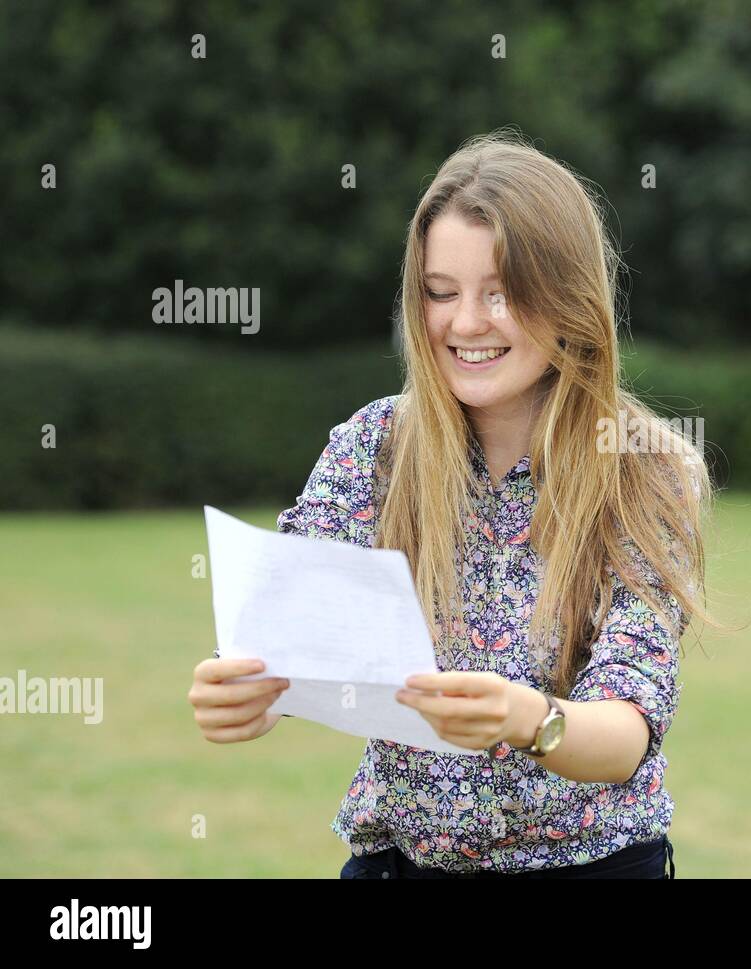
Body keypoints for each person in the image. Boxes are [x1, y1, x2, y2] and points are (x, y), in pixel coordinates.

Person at [187, 130, 720, 878]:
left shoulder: (647, 468)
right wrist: (244, 685)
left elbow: (628, 728)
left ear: (566, 296)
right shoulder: (374, 446)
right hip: (402, 863)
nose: (465, 323)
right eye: (441, 292)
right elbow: (289, 627)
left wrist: (528, 719)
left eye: (501, 293)